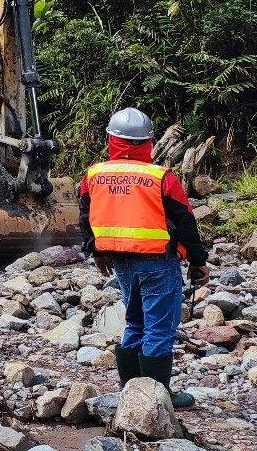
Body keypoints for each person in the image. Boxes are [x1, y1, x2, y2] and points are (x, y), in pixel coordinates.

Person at [79, 107, 210, 409]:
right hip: (157, 262)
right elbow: (186, 221)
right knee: (159, 328)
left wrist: (97, 251)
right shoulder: (161, 177)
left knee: (135, 323)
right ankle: (156, 398)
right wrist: (198, 260)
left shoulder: (94, 175)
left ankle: (131, 392)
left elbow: (86, 217)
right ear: (148, 142)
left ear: (111, 139)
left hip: (121, 262)